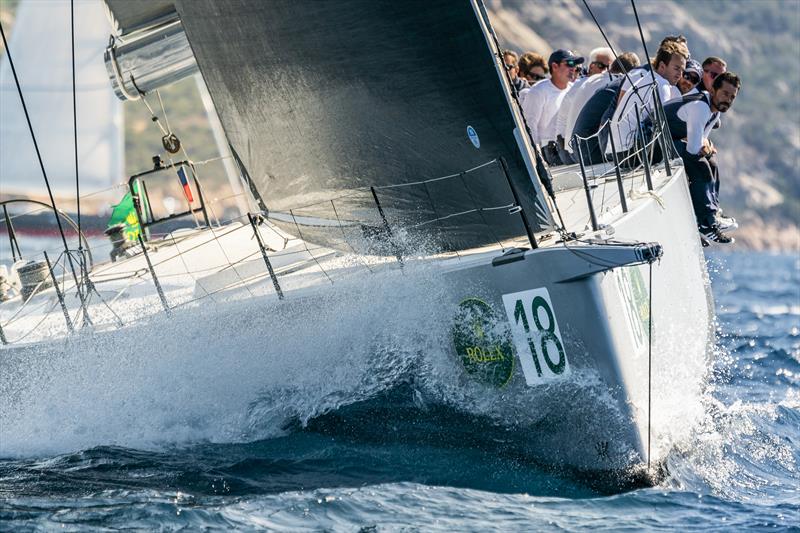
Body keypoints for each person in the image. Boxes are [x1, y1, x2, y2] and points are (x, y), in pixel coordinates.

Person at [660, 71, 741, 244]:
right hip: (651, 142)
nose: (728, 99)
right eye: (725, 94)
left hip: (669, 141)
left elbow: (700, 141)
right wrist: (705, 149)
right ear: (713, 91)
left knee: (711, 162)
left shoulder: (715, 112)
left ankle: (712, 213)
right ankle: (705, 224)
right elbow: (693, 149)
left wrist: (706, 149)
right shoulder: (701, 106)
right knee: (702, 166)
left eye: (732, 97)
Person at [606, 39, 688, 160]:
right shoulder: (661, 85)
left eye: (682, 70)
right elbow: (665, 125)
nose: (680, 75)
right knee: (689, 151)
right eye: (676, 68)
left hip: (614, 152)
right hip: (628, 155)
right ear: (662, 66)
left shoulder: (647, 78)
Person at [560, 52, 641, 164]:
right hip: (587, 153)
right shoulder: (617, 83)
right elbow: (607, 120)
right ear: (632, 73)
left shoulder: (588, 81)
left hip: (571, 150)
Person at [520, 49, 584, 165]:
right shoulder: (538, 91)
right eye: (569, 64)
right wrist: (537, 160)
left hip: (571, 149)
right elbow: (529, 127)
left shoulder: (573, 89)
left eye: (575, 65)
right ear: (554, 66)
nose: (573, 68)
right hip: (549, 154)